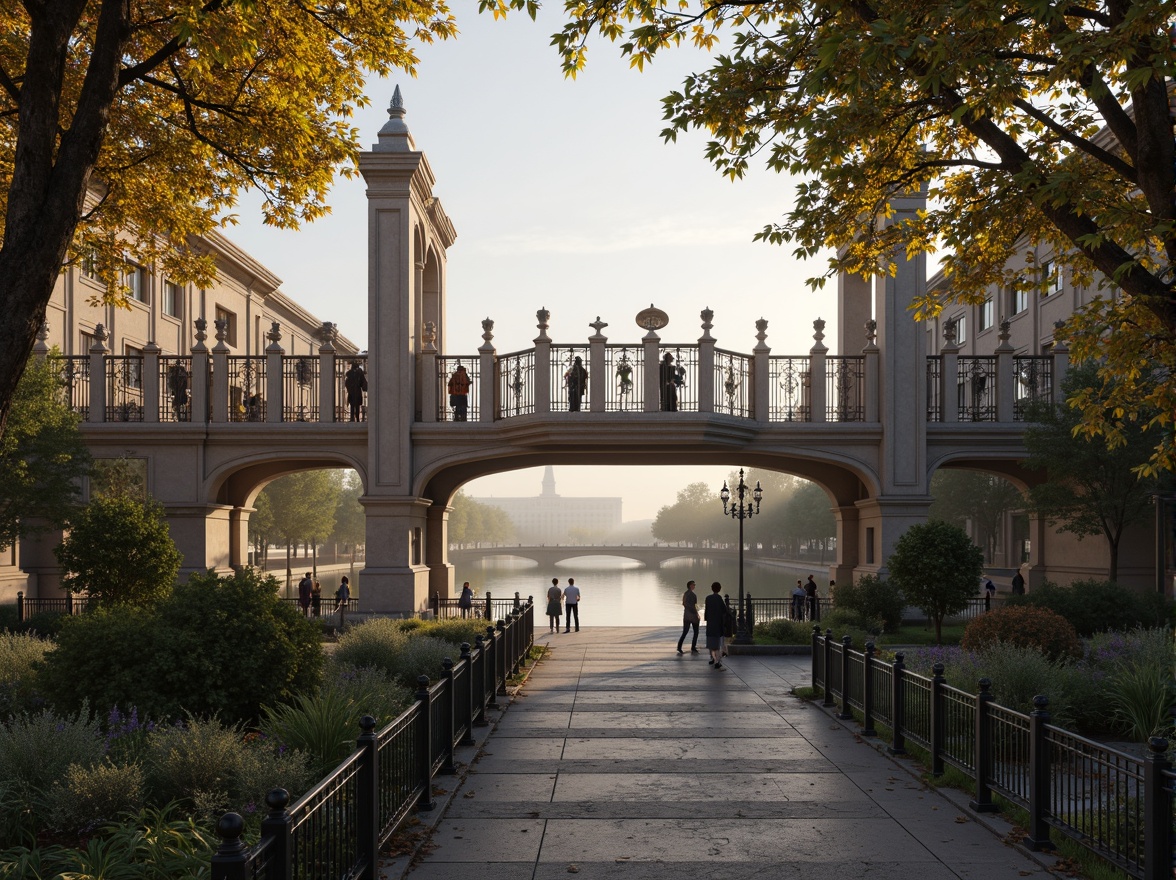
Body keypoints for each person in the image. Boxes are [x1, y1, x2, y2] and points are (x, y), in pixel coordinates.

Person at [704, 582, 727, 670]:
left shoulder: (708, 598)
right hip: (718, 623)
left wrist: (707, 619)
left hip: (710, 623)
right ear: (719, 589)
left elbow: (706, 610)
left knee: (710, 642)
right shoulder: (719, 598)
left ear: (712, 588)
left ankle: (712, 659)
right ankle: (718, 661)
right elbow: (724, 610)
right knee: (718, 643)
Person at [677, 580, 701, 654]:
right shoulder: (693, 595)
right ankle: (693, 647)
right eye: (693, 585)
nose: (694, 586)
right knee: (696, 632)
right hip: (692, 616)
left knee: (685, 632)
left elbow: (684, 604)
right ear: (690, 586)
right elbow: (695, 605)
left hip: (687, 616)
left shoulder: (685, 594)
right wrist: (696, 613)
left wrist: (695, 610)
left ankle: (679, 647)